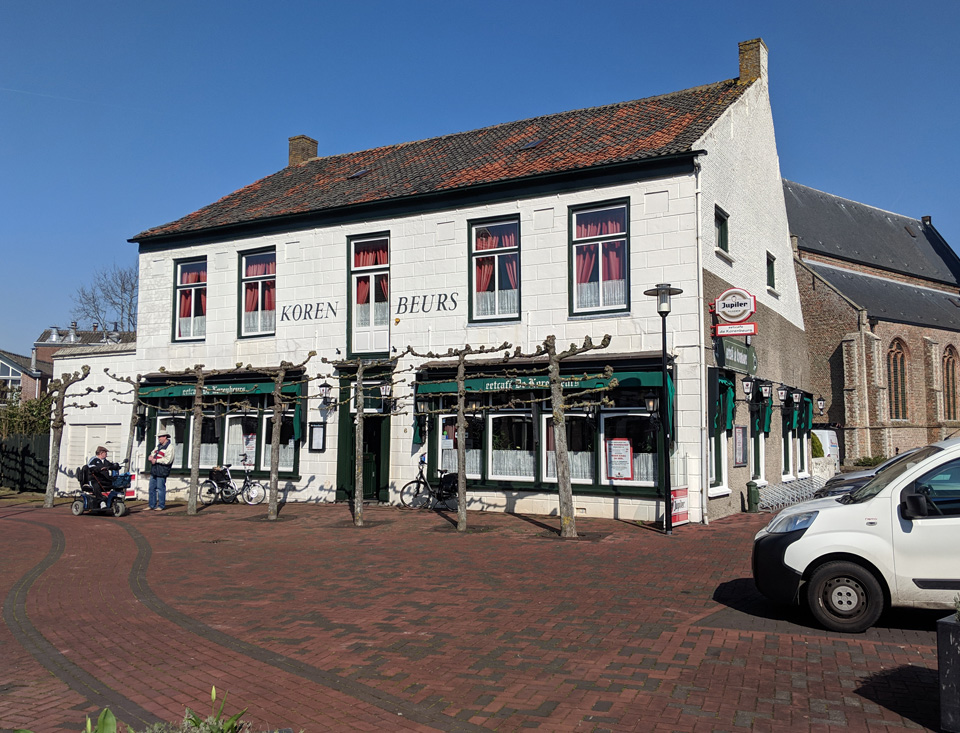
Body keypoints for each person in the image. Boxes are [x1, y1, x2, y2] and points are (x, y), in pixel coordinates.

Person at [148, 432, 176, 511]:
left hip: (162, 470)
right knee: (151, 488)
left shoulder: (170, 447)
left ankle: (161, 505)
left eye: (160, 437)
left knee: (160, 488)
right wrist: (151, 456)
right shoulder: (158, 446)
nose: (159, 438)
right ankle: (151, 505)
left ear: (165, 437)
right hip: (154, 469)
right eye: (158, 437)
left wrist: (156, 460)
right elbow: (153, 452)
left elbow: (168, 460)